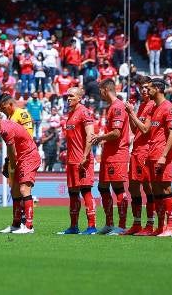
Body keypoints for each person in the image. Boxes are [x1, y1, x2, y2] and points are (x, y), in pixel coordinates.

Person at [0, 106, 40, 234]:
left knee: (23, 189)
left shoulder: (5, 129)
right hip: (22, 158)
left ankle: (29, 226)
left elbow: (13, 151)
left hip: (29, 157)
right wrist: (7, 163)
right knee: (14, 191)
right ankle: (16, 224)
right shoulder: (3, 127)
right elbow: (11, 150)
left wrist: (12, 167)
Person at [91, 79, 131, 234]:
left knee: (118, 188)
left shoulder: (118, 107)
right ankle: (109, 223)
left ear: (105, 90)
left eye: (100, 90)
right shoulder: (111, 107)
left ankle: (121, 226)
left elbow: (116, 133)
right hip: (108, 154)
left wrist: (100, 138)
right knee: (102, 187)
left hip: (117, 154)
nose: (99, 93)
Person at [57, 87, 98, 235]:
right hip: (72, 160)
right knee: (72, 193)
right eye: (67, 96)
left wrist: (85, 155)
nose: (68, 98)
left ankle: (92, 227)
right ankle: (73, 227)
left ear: (79, 98)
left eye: (71, 96)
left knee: (86, 191)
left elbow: (90, 135)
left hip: (83, 160)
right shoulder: (70, 113)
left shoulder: (84, 112)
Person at [146, 78, 172, 236]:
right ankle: (160, 226)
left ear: (158, 89)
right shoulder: (154, 108)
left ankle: (171, 226)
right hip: (152, 154)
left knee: (166, 188)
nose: (147, 91)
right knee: (156, 190)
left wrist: (164, 155)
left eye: (150, 88)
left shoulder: (169, 107)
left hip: (161, 155)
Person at [122, 75, 154, 235]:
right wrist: (130, 114)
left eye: (147, 87)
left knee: (148, 188)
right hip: (136, 150)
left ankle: (150, 224)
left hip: (147, 151)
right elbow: (135, 130)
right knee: (133, 187)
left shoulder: (153, 105)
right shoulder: (141, 105)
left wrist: (132, 114)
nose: (144, 90)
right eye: (142, 87)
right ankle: (136, 223)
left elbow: (146, 129)